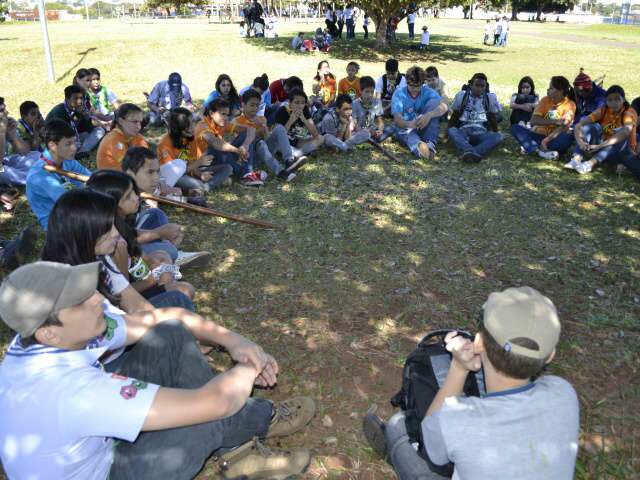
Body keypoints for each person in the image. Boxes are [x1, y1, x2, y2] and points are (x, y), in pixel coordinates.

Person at [0, 260, 316, 480]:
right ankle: (250, 426)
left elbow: (166, 319)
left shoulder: (44, 339)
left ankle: (236, 441)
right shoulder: (69, 390)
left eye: (90, 290)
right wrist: (249, 366)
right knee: (202, 417)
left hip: (95, 439)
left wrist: (233, 340)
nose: (98, 299)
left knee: (171, 336)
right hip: (107, 471)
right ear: (49, 332)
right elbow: (215, 402)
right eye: (81, 301)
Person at [363, 286, 579, 480]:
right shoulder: (564, 394)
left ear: (479, 343)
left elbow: (431, 447)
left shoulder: (459, 419)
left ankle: (395, 454)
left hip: (440, 442)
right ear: (550, 355)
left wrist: (458, 369)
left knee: (399, 427)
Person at [43, 189, 195, 312]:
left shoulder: (102, 257)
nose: (116, 233)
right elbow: (120, 316)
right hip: (116, 334)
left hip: (125, 317)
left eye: (114, 225)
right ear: (84, 233)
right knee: (180, 293)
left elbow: (132, 303)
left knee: (177, 288)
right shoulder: (67, 287)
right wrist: (152, 280)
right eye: (107, 230)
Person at [87, 168, 208, 268]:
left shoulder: (121, 217)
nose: (136, 197)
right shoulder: (108, 228)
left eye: (134, 192)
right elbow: (128, 241)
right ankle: (169, 257)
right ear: (112, 203)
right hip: (128, 255)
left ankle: (167, 253)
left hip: (131, 242)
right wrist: (159, 234)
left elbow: (130, 233)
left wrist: (159, 233)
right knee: (169, 250)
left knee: (155, 214)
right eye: (128, 197)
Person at [26, 120, 92, 229]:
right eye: (68, 144)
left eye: (74, 142)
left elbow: (91, 178)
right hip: (57, 225)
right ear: (52, 146)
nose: (74, 148)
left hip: (73, 211)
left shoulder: (67, 160)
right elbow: (71, 203)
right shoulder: (40, 176)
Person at [566, 85, 638, 175]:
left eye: (617, 99)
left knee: (619, 140)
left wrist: (599, 146)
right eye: (610, 100)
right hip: (603, 146)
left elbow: (625, 132)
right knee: (591, 127)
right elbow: (579, 125)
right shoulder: (603, 110)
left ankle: (590, 164)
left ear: (623, 100)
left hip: (623, 151)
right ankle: (576, 159)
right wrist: (580, 142)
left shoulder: (628, 112)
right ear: (606, 101)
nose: (613, 103)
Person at [157, 108, 233, 192]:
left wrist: (200, 174)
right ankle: (206, 186)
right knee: (198, 184)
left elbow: (188, 162)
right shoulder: (165, 144)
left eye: (192, 123)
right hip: (174, 177)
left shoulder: (188, 137)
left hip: (190, 172)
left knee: (228, 168)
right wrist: (199, 163)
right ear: (177, 128)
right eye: (187, 127)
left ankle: (204, 186)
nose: (193, 128)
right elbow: (173, 173)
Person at [234, 89, 303, 181]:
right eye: (251, 105)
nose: (255, 108)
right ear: (243, 105)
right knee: (260, 143)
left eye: (257, 105)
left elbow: (267, 138)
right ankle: (280, 172)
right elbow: (239, 144)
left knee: (279, 128)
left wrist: (265, 129)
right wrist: (257, 131)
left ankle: (289, 160)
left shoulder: (262, 119)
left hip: (265, 154)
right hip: (248, 158)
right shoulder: (236, 122)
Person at [195, 98, 264, 187]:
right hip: (203, 164)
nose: (225, 118)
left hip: (219, 159)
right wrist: (237, 150)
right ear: (211, 113)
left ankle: (247, 173)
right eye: (222, 114)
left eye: (227, 115)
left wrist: (245, 145)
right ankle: (245, 173)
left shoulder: (223, 123)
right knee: (217, 148)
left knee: (245, 137)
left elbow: (250, 129)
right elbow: (215, 143)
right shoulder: (203, 126)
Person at [511, 76, 576, 160]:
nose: (548, 90)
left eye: (551, 88)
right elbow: (533, 121)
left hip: (555, 138)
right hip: (539, 135)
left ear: (560, 91)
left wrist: (545, 141)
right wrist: (554, 121)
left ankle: (534, 148)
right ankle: (541, 151)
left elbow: (563, 127)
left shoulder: (570, 105)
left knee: (566, 138)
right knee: (515, 128)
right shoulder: (545, 100)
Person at [391, 66, 448, 160]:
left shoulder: (427, 91)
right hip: (406, 127)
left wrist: (429, 115)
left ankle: (430, 143)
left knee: (434, 103)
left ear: (422, 83)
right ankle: (421, 148)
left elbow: (444, 106)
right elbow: (397, 120)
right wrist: (410, 124)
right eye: (411, 85)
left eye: (417, 86)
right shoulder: (399, 94)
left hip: (423, 126)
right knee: (409, 136)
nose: (414, 89)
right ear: (406, 82)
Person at [447, 73, 503, 163]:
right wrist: (447, 133)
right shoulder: (462, 96)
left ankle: (470, 152)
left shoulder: (489, 98)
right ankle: (473, 152)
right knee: (452, 130)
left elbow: (492, 117)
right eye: (477, 85)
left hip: (481, 132)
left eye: (482, 86)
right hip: (464, 131)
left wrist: (495, 132)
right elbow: (455, 115)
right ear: (471, 85)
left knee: (499, 136)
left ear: (486, 87)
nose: (479, 89)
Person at [45, 85, 106, 156]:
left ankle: (82, 151)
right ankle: (77, 151)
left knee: (99, 131)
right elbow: (63, 134)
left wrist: (86, 117)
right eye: (76, 98)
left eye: (81, 98)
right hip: (60, 141)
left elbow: (87, 128)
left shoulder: (77, 109)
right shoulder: (59, 112)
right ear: (67, 99)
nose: (80, 101)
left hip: (74, 138)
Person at [0, 97, 41, 189]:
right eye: (2, 110)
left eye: (5, 108)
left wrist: (13, 134)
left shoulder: (5, 124)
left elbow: (25, 152)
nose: (7, 112)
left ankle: (34, 173)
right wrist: (2, 133)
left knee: (36, 154)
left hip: (5, 161)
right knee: (4, 171)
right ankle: (35, 179)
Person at [274, 88, 325, 158]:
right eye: (296, 102)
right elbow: (277, 136)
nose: (300, 106)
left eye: (302, 103)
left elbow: (315, 134)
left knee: (321, 138)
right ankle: (303, 152)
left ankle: (298, 153)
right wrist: (290, 121)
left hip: (298, 140)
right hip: (284, 142)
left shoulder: (305, 109)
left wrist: (304, 119)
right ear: (290, 103)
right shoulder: (282, 111)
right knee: (277, 145)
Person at [97, 103, 149, 171]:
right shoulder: (113, 140)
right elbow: (128, 169)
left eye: (140, 122)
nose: (139, 127)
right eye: (135, 122)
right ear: (121, 121)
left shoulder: (135, 136)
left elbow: (147, 158)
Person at [352, 76, 392, 143]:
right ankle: (371, 139)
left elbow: (380, 121)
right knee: (353, 135)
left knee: (389, 130)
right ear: (360, 91)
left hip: (373, 129)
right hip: (360, 130)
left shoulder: (377, 102)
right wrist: (365, 132)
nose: (370, 95)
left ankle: (373, 138)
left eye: (372, 92)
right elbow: (354, 123)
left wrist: (380, 130)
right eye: (367, 92)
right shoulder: (355, 104)